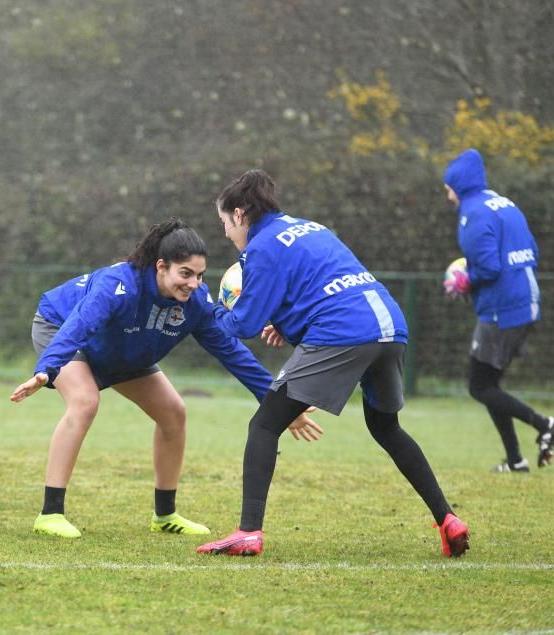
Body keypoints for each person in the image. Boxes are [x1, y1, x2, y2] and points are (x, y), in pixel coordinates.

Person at [196, 169, 469, 558]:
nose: (225, 232)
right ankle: (447, 519)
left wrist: (211, 309)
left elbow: (242, 324)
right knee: (386, 427)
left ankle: (248, 532)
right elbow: (325, 288)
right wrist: (288, 325)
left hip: (344, 332)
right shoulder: (310, 228)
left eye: (224, 222)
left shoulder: (262, 247)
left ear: (239, 214)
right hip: (389, 326)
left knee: (266, 422)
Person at [9, 217, 322, 539]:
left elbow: (231, 351)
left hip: (125, 346)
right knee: (85, 401)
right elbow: (79, 328)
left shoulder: (196, 302)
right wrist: (46, 369)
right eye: (185, 273)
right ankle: (50, 513)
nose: (193, 283)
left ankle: (165, 515)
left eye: (199, 275)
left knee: (174, 413)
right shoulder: (119, 285)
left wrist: (277, 400)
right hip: (61, 329)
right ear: (161, 266)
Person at [442, 148, 552, 472]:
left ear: (459, 185)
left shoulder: (472, 213)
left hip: (501, 310)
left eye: (448, 186)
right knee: (489, 387)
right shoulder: (505, 203)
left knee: (479, 387)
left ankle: (545, 424)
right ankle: (516, 460)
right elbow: (532, 250)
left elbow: (488, 268)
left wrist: (464, 281)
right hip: (526, 301)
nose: (447, 194)